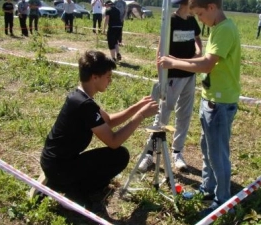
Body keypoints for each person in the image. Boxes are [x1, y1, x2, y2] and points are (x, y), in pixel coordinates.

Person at [40, 50, 159, 208]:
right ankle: (73, 189)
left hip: (56, 162)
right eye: (108, 77)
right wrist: (141, 115)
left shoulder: (80, 96)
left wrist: (137, 106)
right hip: (59, 168)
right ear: (95, 77)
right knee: (119, 155)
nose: (110, 81)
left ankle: (67, 183)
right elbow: (113, 141)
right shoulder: (85, 105)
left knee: (118, 156)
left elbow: (108, 121)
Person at [158, 0, 241, 217]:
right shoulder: (217, 28)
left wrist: (174, 62)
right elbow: (204, 60)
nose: (200, 20)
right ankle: (207, 188)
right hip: (211, 98)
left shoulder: (224, 30)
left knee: (218, 154)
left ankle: (223, 200)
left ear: (212, 7)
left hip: (220, 103)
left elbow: (206, 64)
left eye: (201, 14)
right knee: (207, 148)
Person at [138, 0, 202, 172]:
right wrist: (162, 79)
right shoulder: (171, 21)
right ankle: (149, 154)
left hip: (190, 76)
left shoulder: (191, 20)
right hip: (172, 76)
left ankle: (177, 153)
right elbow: (160, 51)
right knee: (163, 113)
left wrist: (198, 50)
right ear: (185, 3)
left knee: (184, 114)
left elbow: (197, 38)